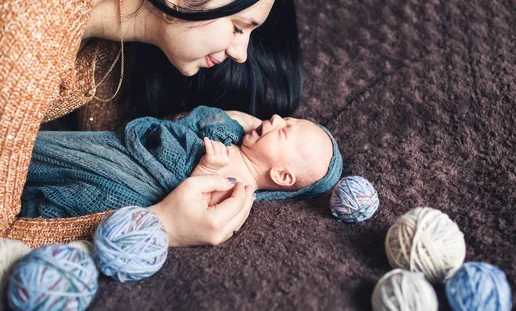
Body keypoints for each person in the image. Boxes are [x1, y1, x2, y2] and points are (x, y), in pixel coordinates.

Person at [0, 0, 303, 248]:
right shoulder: (29, 36)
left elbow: (106, 140)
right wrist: (158, 225)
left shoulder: (122, 6)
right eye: (238, 27)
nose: (242, 53)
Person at [20, 108, 343, 246]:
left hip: (138, 187)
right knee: (48, 152)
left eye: (284, 129)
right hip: (126, 155)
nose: (273, 118)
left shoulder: (241, 191)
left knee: (67, 185)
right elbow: (193, 119)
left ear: (282, 176)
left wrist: (207, 168)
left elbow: (197, 198)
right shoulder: (231, 135)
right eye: (285, 118)